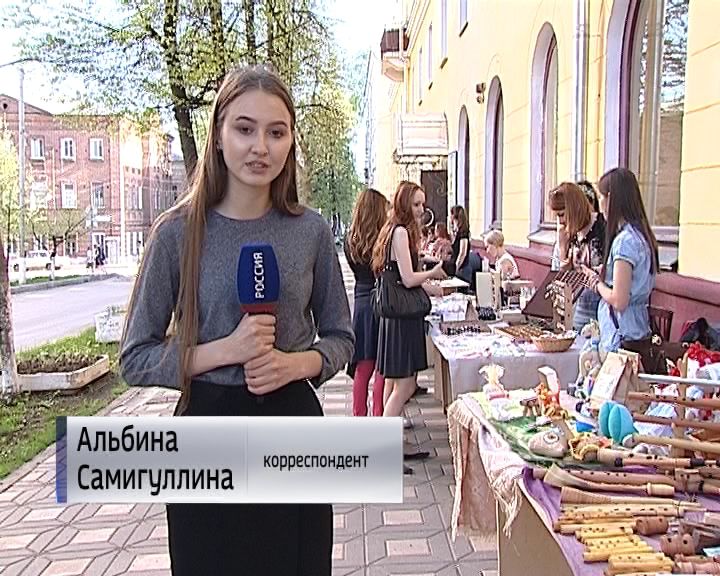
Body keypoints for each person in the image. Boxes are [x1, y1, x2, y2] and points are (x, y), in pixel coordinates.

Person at [119, 65, 354, 576]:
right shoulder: (176, 233)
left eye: (277, 132)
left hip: (294, 427)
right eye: (245, 129)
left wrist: (296, 365)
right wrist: (226, 350)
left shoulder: (311, 232)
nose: (260, 147)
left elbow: (342, 336)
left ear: (291, 142)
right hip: (206, 431)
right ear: (219, 134)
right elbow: (135, 358)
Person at [371, 181, 446, 473]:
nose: (421, 209)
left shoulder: (392, 230)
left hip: (396, 316)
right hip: (402, 318)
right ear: (404, 205)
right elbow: (408, 278)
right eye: (416, 204)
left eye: (422, 204)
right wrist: (433, 272)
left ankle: (394, 445)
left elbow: (401, 276)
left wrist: (431, 287)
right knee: (405, 385)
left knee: (397, 384)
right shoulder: (400, 232)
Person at [581, 168, 658, 356]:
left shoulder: (625, 241)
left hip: (620, 334)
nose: (600, 203)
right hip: (636, 329)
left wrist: (596, 283)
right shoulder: (640, 236)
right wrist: (606, 272)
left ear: (612, 198)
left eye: (602, 197)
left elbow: (619, 300)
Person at [344, 188, 389, 417]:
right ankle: (379, 417)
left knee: (363, 366)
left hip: (361, 301)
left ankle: (358, 417)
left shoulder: (350, 240)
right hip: (382, 301)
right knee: (382, 366)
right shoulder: (383, 240)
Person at [552, 182, 606, 330]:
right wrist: (562, 250)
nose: (560, 221)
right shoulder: (565, 235)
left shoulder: (603, 228)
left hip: (602, 317)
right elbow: (557, 285)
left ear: (574, 209)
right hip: (575, 316)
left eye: (562, 214)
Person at [449, 205, 471, 281]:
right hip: (458, 266)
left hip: (462, 269)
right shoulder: (456, 231)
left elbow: (462, 253)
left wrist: (456, 267)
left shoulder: (463, 233)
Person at [549, 186, 567, 272]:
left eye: (562, 215)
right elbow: (556, 273)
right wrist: (562, 248)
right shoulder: (561, 237)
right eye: (557, 216)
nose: (560, 221)